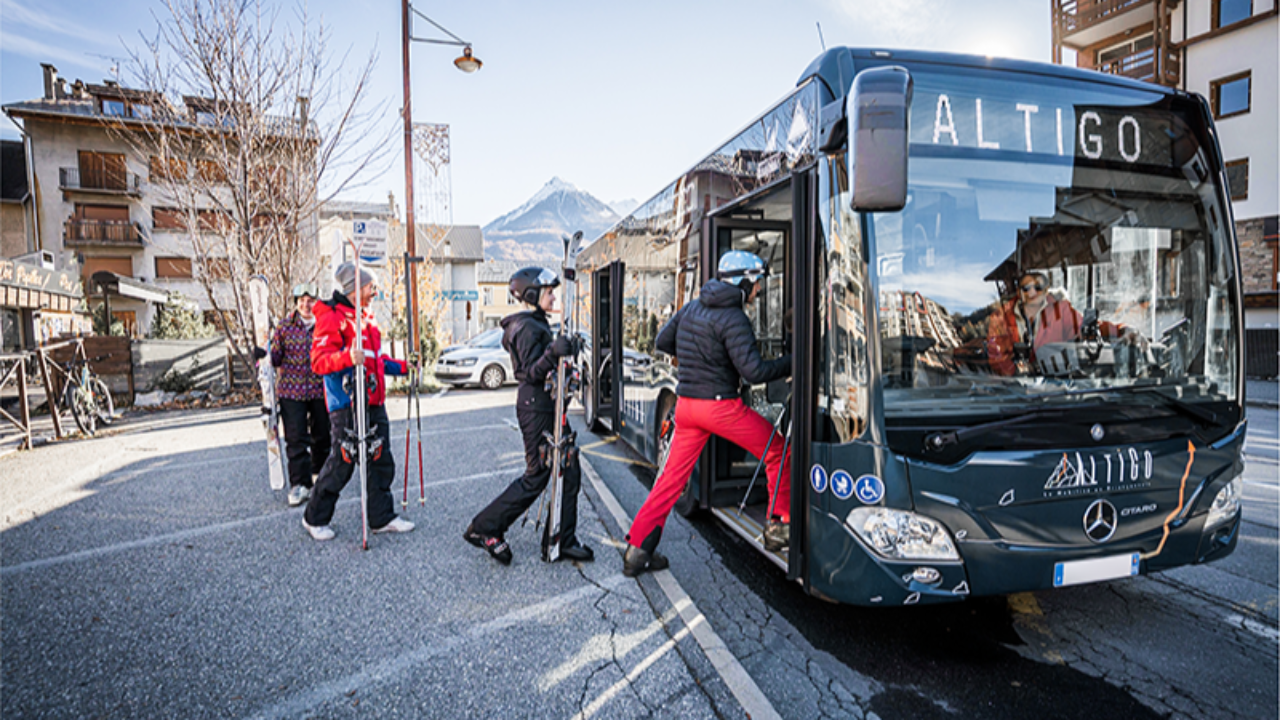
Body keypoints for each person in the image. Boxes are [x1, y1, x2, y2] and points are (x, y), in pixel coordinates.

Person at [623, 250, 792, 577]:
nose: (758, 291)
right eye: (756, 284)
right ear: (743, 282)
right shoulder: (734, 317)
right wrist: (792, 361)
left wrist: (694, 362)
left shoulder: (691, 308)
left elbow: (662, 340)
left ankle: (637, 551)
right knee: (777, 450)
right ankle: (778, 528)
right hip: (720, 408)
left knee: (669, 482)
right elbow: (755, 372)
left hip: (686, 407)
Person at [464, 266, 593, 565]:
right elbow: (528, 372)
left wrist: (565, 353)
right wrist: (553, 353)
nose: (553, 296)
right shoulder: (525, 327)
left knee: (568, 467)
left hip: (547, 403)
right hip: (534, 406)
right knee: (537, 475)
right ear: (532, 294)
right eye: (549, 292)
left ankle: (560, 539)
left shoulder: (537, 323)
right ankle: (484, 528)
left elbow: (548, 365)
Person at [301, 263, 414, 541]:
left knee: (380, 459)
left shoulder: (366, 317)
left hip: (373, 400)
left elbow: (375, 361)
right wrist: (348, 358)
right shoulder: (332, 317)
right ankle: (314, 517)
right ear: (353, 288)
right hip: (347, 402)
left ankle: (381, 517)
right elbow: (318, 362)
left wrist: (403, 367)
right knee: (343, 462)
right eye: (369, 287)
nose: (374, 292)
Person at [986, 271, 1132, 376]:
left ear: (1046, 290)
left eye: (1038, 286)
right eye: (1026, 287)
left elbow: (1086, 329)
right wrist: (1015, 372)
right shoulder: (1001, 318)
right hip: (1014, 393)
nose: (1032, 292)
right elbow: (995, 353)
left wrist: (1122, 331)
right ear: (1019, 292)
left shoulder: (1061, 311)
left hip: (1055, 392)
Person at [271, 283, 330, 507]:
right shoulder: (285, 326)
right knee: (296, 440)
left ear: (316, 302)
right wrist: (264, 354)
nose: (306, 305)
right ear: (296, 303)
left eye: (310, 300)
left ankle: (321, 479)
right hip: (291, 392)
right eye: (301, 300)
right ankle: (300, 484)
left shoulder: (324, 326)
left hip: (318, 389)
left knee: (322, 436)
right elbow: (276, 357)